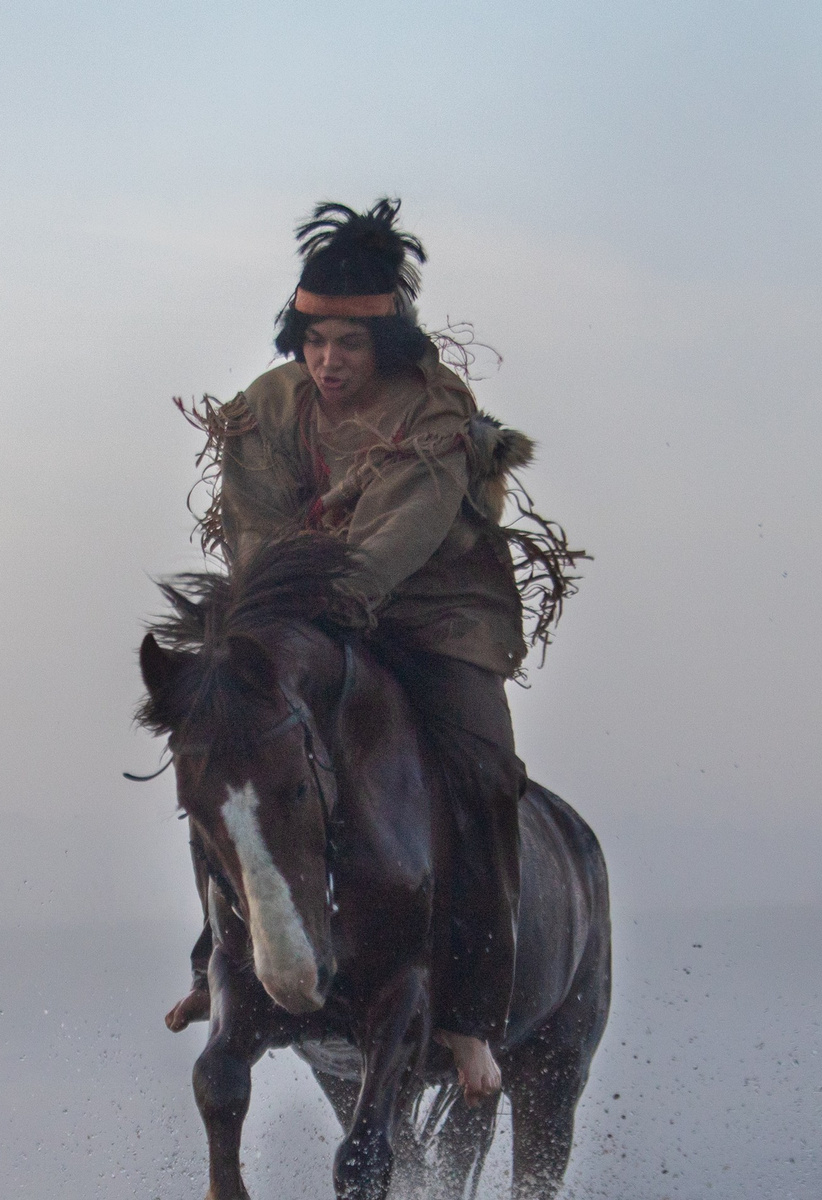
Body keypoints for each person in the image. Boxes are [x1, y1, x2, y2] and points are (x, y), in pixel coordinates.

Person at [164, 199, 582, 1099]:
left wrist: (325, 597)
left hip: (433, 620)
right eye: (314, 343)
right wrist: (273, 614)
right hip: (306, 618)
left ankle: (473, 1014)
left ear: (383, 345)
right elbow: (252, 528)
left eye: (348, 346)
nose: (327, 362)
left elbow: (401, 534)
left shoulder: (436, 413)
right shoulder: (264, 410)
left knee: (484, 773)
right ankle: (218, 957)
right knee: (224, 744)